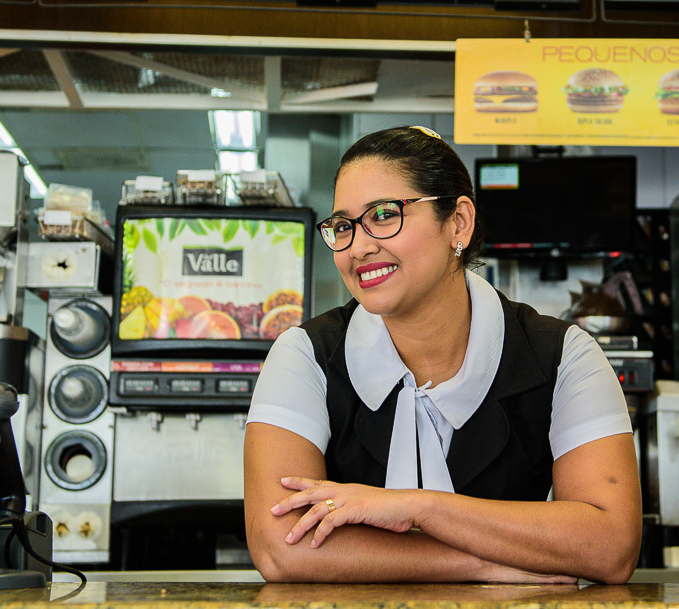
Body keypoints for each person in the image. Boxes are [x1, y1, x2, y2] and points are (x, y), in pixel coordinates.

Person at [244, 126, 641, 584]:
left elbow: (611, 545)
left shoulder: (563, 356)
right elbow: (280, 547)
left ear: (458, 223)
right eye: (343, 226)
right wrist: (481, 564)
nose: (359, 246)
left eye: (385, 214)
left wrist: (420, 507)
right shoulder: (304, 356)